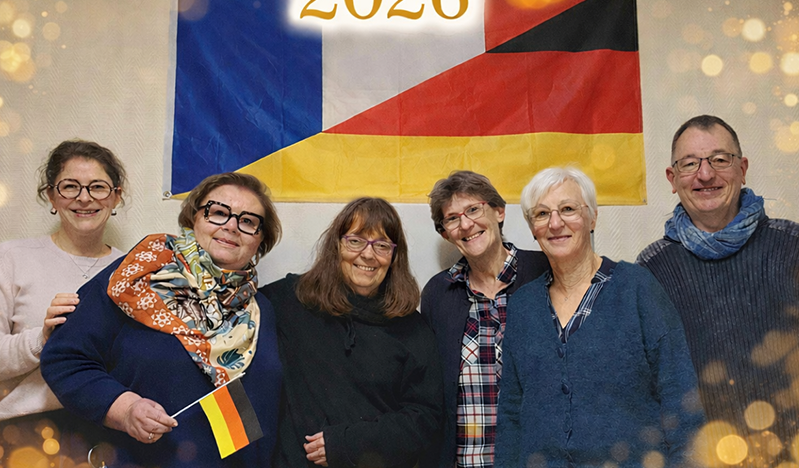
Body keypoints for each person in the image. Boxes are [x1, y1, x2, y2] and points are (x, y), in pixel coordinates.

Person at [41, 172, 284, 467]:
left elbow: (259, 408)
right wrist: (125, 409)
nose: (231, 226)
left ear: (260, 240)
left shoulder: (261, 311)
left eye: (248, 221)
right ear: (194, 218)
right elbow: (65, 358)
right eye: (218, 213)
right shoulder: (137, 276)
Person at [636, 115, 799, 464]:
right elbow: (642, 390)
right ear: (672, 179)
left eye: (720, 159)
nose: (706, 174)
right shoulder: (650, 270)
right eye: (690, 163)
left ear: (742, 169)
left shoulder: (796, 246)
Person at [495, 166, 703, 468]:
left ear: (592, 217)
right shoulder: (523, 306)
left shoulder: (637, 288)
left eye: (568, 209)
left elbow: (681, 397)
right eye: (541, 214)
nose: (555, 223)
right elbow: (511, 414)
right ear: (532, 228)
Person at [0, 140, 128, 466]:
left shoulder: (132, 271)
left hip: (100, 439)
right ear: (51, 196)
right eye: (70, 186)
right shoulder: (12, 257)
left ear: (116, 196)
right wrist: (42, 339)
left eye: (97, 187)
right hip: (14, 434)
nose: (84, 197)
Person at [261, 197, 444, 468]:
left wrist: (350, 444)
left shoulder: (412, 328)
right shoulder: (289, 300)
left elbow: (426, 418)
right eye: (355, 241)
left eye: (382, 245)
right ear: (336, 245)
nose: (368, 255)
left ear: (394, 257)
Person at [419, 170, 550, 468]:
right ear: (446, 234)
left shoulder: (545, 272)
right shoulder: (438, 294)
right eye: (452, 218)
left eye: (473, 209)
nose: (466, 224)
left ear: (499, 211)